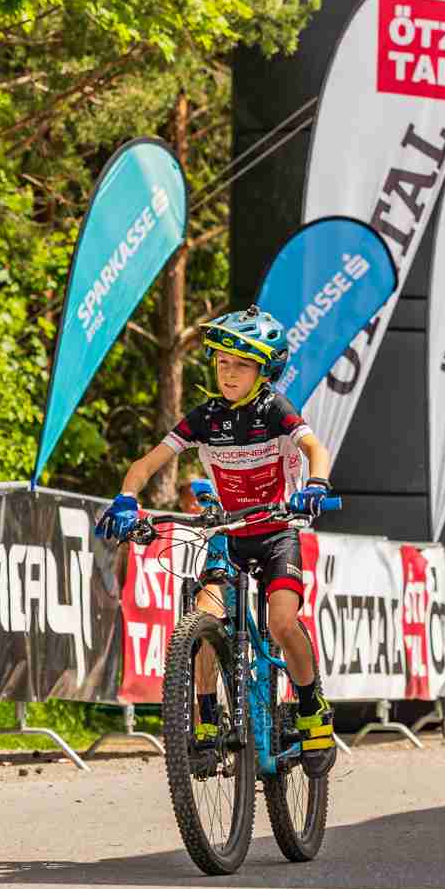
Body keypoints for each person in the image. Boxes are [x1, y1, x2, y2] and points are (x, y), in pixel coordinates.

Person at [94, 305, 337, 771]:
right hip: (228, 534)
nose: (229, 372)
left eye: (242, 364)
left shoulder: (275, 409)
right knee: (202, 623)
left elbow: (313, 448)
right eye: (223, 362)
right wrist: (126, 499)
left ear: (264, 371)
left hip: (276, 534)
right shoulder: (205, 417)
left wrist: (316, 485)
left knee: (283, 624)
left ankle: (311, 708)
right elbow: (147, 463)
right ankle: (206, 722)